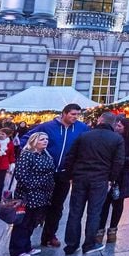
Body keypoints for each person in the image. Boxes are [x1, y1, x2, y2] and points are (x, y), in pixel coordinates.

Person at [62, 112, 124, 255]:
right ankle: (89, 244)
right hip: (100, 179)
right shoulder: (116, 138)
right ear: (113, 123)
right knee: (94, 212)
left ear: (99, 120)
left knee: (75, 212)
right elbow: (118, 162)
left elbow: (71, 156)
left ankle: (71, 245)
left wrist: (70, 175)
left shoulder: (84, 135)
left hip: (80, 178)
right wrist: (111, 179)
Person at [28, 103, 89, 247]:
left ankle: (49, 235)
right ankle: (26, 237)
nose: (75, 117)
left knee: (57, 206)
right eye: (73, 114)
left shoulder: (82, 128)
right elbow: (28, 139)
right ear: (64, 113)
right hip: (44, 173)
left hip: (64, 173)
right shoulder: (47, 126)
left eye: (77, 115)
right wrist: (32, 157)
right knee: (38, 205)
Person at [9, 132, 55, 256]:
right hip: (28, 195)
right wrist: (37, 184)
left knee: (32, 222)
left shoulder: (46, 154)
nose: (45, 141)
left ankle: (27, 246)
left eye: (46, 139)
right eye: (42, 139)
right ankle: (17, 249)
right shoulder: (27, 155)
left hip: (42, 195)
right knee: (23, 222)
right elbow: (21, 175)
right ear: (34, 141)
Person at [97, 116, 129, 244]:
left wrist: (121, 160)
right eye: (117, 125)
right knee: (105, 202)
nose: (117, 128)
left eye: (120, 126)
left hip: (124, 174)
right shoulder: (113, 138)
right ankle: (100, 230)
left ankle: (112, 230)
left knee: (118, 204)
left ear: (127, 128)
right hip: (110, 174)